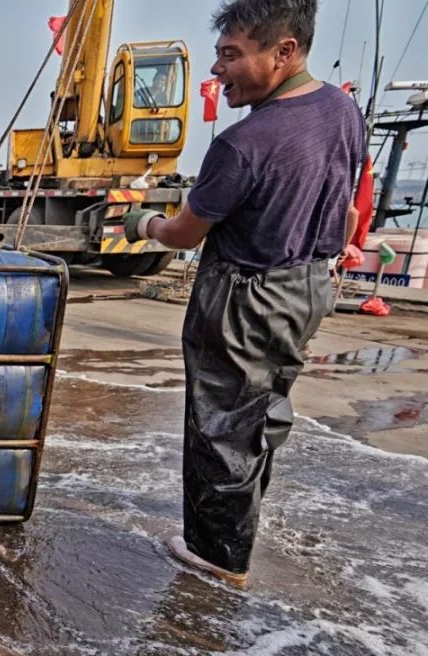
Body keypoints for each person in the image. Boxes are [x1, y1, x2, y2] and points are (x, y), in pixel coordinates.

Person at [122, 0, 364, 586]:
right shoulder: (342, 110)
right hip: (305, 288)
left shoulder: (243, 143)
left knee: (220, 424)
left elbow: (184, 232)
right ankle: (237, 532)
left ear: (284, 52)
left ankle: (217, 558)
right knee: (262, 415)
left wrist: (144, 225)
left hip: (243, 296)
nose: (218, 71)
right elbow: (351, 205)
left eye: (231, 56)